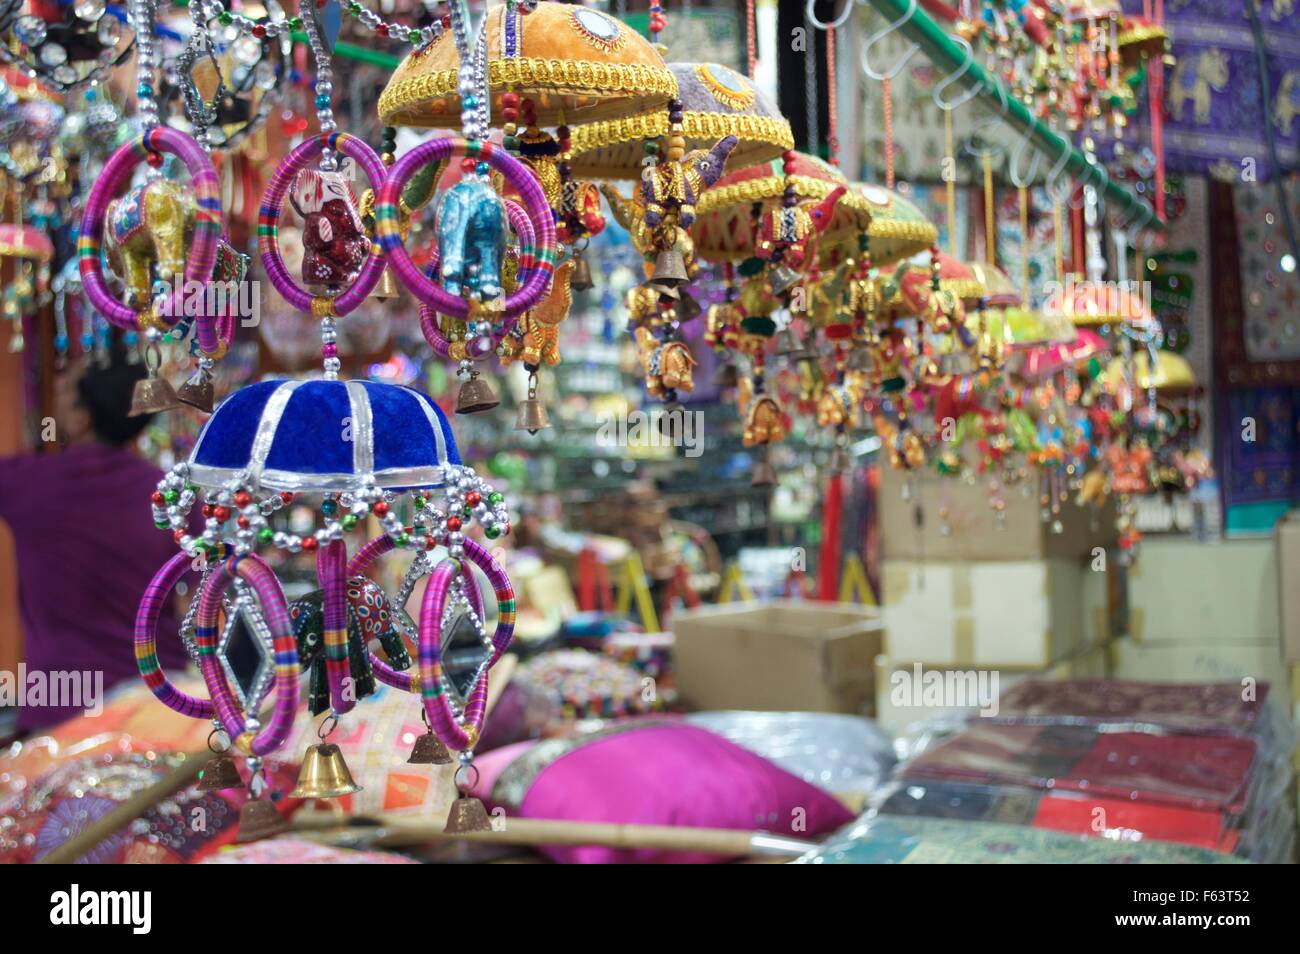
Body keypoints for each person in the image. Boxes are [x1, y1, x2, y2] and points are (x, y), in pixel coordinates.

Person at [0, 352, 191, 733]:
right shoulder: (171, 493)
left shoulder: (26, 482)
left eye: (65, 392)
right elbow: (194, 600)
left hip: (63, 710)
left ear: (81, 416)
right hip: (157, 706)